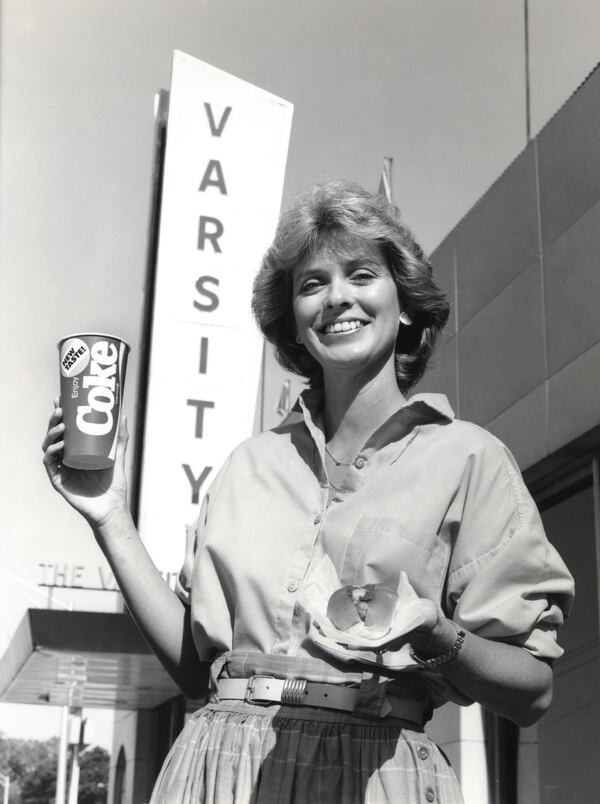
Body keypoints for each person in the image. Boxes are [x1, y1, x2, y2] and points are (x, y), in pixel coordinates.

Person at [43, 180, 574, 803]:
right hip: (218, 770)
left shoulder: (470, 459)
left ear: (404, 303)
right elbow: (195, 669)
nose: (336, 298)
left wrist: (437, 636)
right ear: (294, 322)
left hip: (377, 773)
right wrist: (109, 518)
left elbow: (532, 691)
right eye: (312, 284)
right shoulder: (247, 465)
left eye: (361, 274)